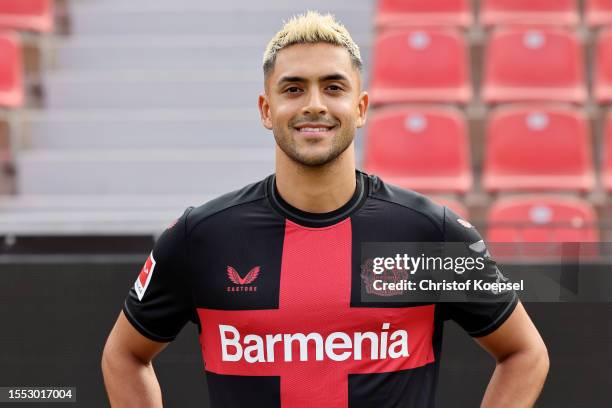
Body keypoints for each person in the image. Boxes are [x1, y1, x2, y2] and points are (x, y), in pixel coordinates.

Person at [101, 11, 549, 407]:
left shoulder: (430, 233)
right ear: (266, 108)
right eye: (293, 88)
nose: (314, 104)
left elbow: (524, 353)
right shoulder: (201, 236)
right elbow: (124, 355)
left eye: (332, 87)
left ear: (360, 107)